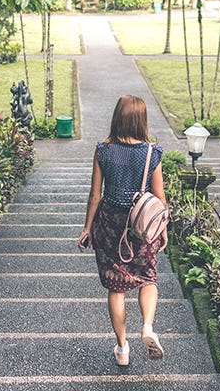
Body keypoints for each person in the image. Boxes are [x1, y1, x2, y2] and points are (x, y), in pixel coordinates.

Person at [77, 95, 168, 366]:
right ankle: (148, 327)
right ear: (142, 120)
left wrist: (87, 227)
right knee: (148, 278)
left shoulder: (103, 151)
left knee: (116, 288)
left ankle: (122, 348)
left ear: (117, 118)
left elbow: (95, 195)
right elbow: (159, 196)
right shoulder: (152, 153)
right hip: (141, 226)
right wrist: (162, 228)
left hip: (110, 224)